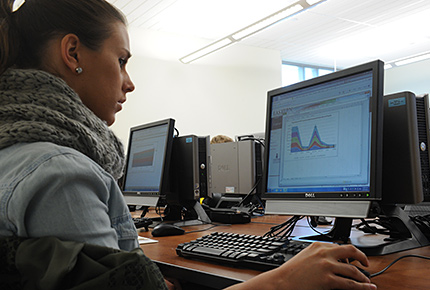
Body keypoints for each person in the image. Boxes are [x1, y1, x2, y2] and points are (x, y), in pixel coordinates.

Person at [0, 1, 377, 289]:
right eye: (121, 60)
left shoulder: (18, 155)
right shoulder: (60, 174)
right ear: (73, 53)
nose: (129, 83)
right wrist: (283, 280)